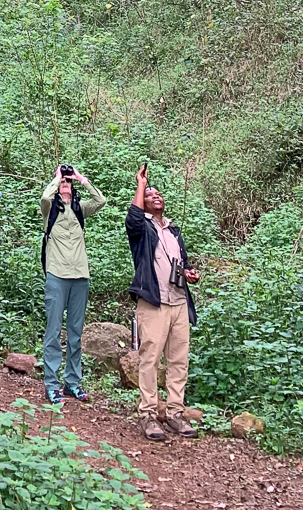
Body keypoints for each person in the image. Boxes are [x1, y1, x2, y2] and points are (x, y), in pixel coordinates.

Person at [125, 163, 201, 442]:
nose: (155, 196)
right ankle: (147, 414)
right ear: (144, 203)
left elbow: (180, 264)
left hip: (179, 302)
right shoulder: (141, 229)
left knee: (179, 360)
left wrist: (189, 273)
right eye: (149, 195)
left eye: (158, 193)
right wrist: (140, 184)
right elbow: (132, 219)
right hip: (153, 302)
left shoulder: (174, 231)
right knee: (150, 360)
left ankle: (175, 413)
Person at [39, 162, 106, 405]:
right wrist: (57, 178)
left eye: (68, 183)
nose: (65, 185)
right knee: (54, 332)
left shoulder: (80, 209)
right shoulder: (50, 210)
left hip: (80, 277)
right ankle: (51, 383)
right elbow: (45, 197)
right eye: (62, 183)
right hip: (57, 275)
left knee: (76, 333)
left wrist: (80, 178)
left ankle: (72, 383)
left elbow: (101, 200)